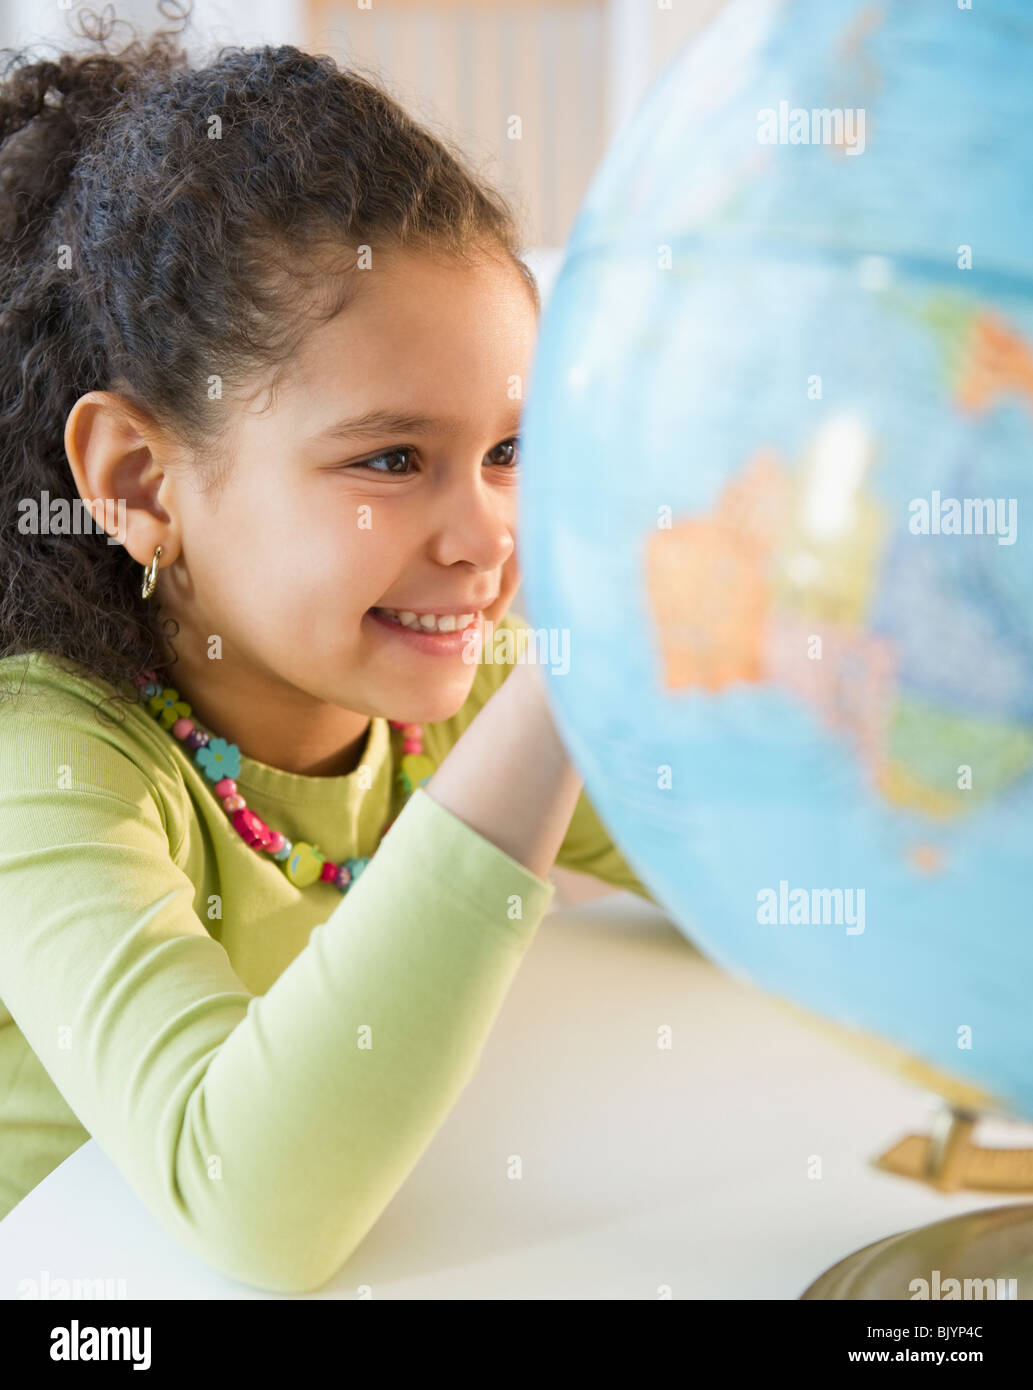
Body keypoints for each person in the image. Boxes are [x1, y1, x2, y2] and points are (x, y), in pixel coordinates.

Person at [0, 6, 655, 1290]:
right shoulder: (52, 763)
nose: (484, 538)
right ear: (139, 479)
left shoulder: (437, 695)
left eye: (506, 454)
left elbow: (749, 867)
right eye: (392, 460)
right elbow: (252, 1208)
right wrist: (566, 692)